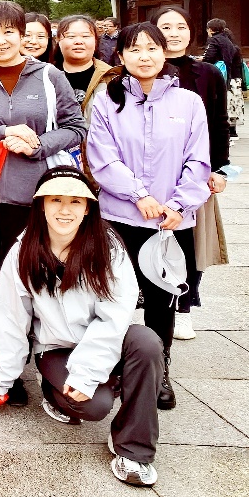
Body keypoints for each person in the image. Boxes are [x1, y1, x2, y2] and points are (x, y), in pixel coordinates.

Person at [0, 0, 87, 409]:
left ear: (23, 34)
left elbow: (76, 127)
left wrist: (39, 144)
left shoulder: (50, 76)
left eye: (9, 31)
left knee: (40, 283)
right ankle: (7, 367)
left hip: (41, 199)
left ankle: (45, 364)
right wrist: (0, 133)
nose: (1, 40)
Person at [0, 167, 164, 488]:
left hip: (107, 339)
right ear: (41, 205)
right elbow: (9, 319)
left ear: (87, 208)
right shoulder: (23, 250)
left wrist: (88, 373)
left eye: (75, 201)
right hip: (57, 347)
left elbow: (114, 316)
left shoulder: (108, 248)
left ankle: (132, 450)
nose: (65, 210)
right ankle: (55, 392)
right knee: (94, 406)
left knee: (147, 342)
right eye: (56, 200)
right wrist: (1, 380)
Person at [87, 22, 210, 411]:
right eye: (135, 49)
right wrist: (138, 194)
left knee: (162, 299)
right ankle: (113, 365)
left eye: (152, 48)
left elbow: (198, 160)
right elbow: (102, 158)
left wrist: (178, 205)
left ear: (164, 52)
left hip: (170, 222)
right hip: (121, 216)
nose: (145, 56)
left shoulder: (188, 102)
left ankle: (158, 371)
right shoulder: (106, 101)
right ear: (120, 56)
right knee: (114, 295)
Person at [151, 6, 232, 341]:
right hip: (150, 172)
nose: (173, 33)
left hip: (194, 172)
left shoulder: (208, 73)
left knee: (191, 242)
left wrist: (219, 168)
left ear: (191, 31)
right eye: (165, 27)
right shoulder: (141, 68)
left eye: (180, 26)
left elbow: (219, 123)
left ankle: (184, 307)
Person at [56, 15, 118, 115]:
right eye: (71, 36)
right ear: (58, 40)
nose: (78, 42)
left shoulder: (112, 77)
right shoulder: (45, 74)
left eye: (85, 36)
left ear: (96, 40)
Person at [203, 19, 246, 139]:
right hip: (235, 77)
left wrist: (201, 60)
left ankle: (223, 131)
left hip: (223, 77)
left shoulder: (215, 40)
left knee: (221, 103)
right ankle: (232, 130)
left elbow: (209, 58)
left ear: (211, 29)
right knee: (233, 103)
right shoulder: (230, 42)